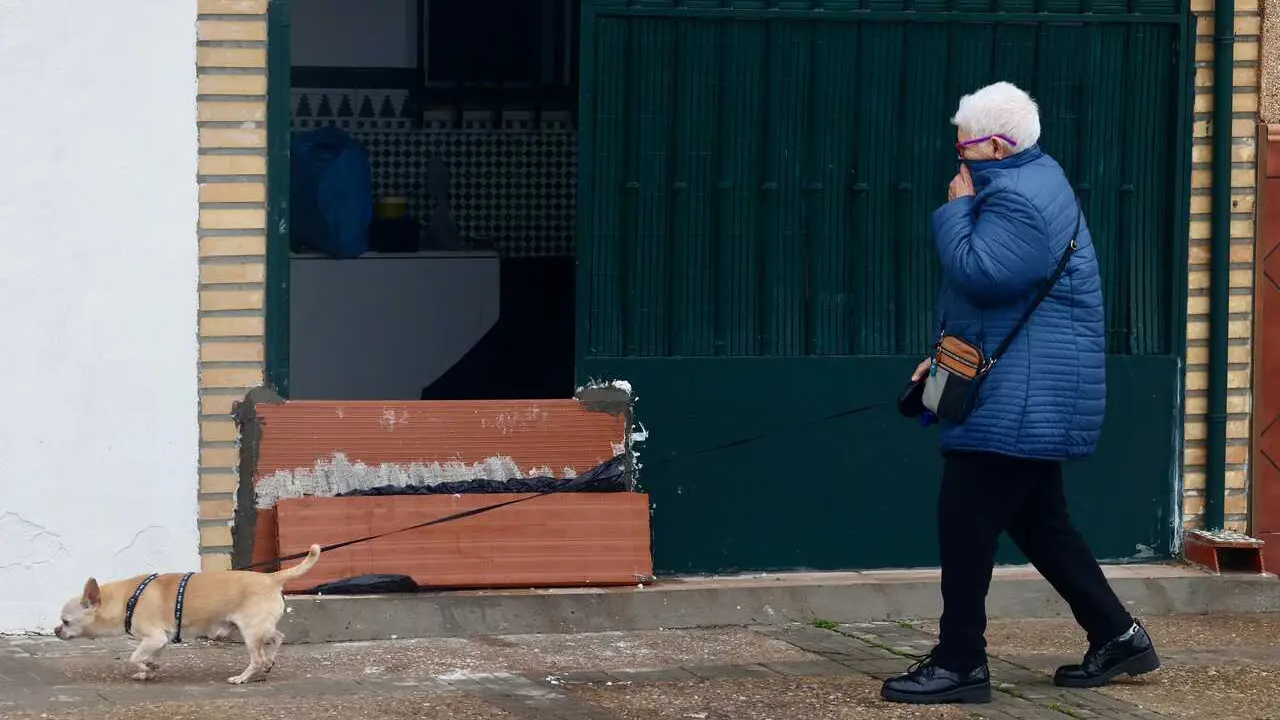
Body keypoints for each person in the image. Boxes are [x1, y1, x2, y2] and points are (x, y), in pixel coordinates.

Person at [880, 81, 1160, 705]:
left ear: (999, 146)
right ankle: (1118, 635)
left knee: (966, 523)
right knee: (1041, 524)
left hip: (1020, 399)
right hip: (1024, 388)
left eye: (966, 150)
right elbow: (1007, 300)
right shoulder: (1028, 181)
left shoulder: (1016, 199)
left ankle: (960, 663)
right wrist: (943, 360)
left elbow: (981, 274)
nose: (958, 160)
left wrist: (955, 209)